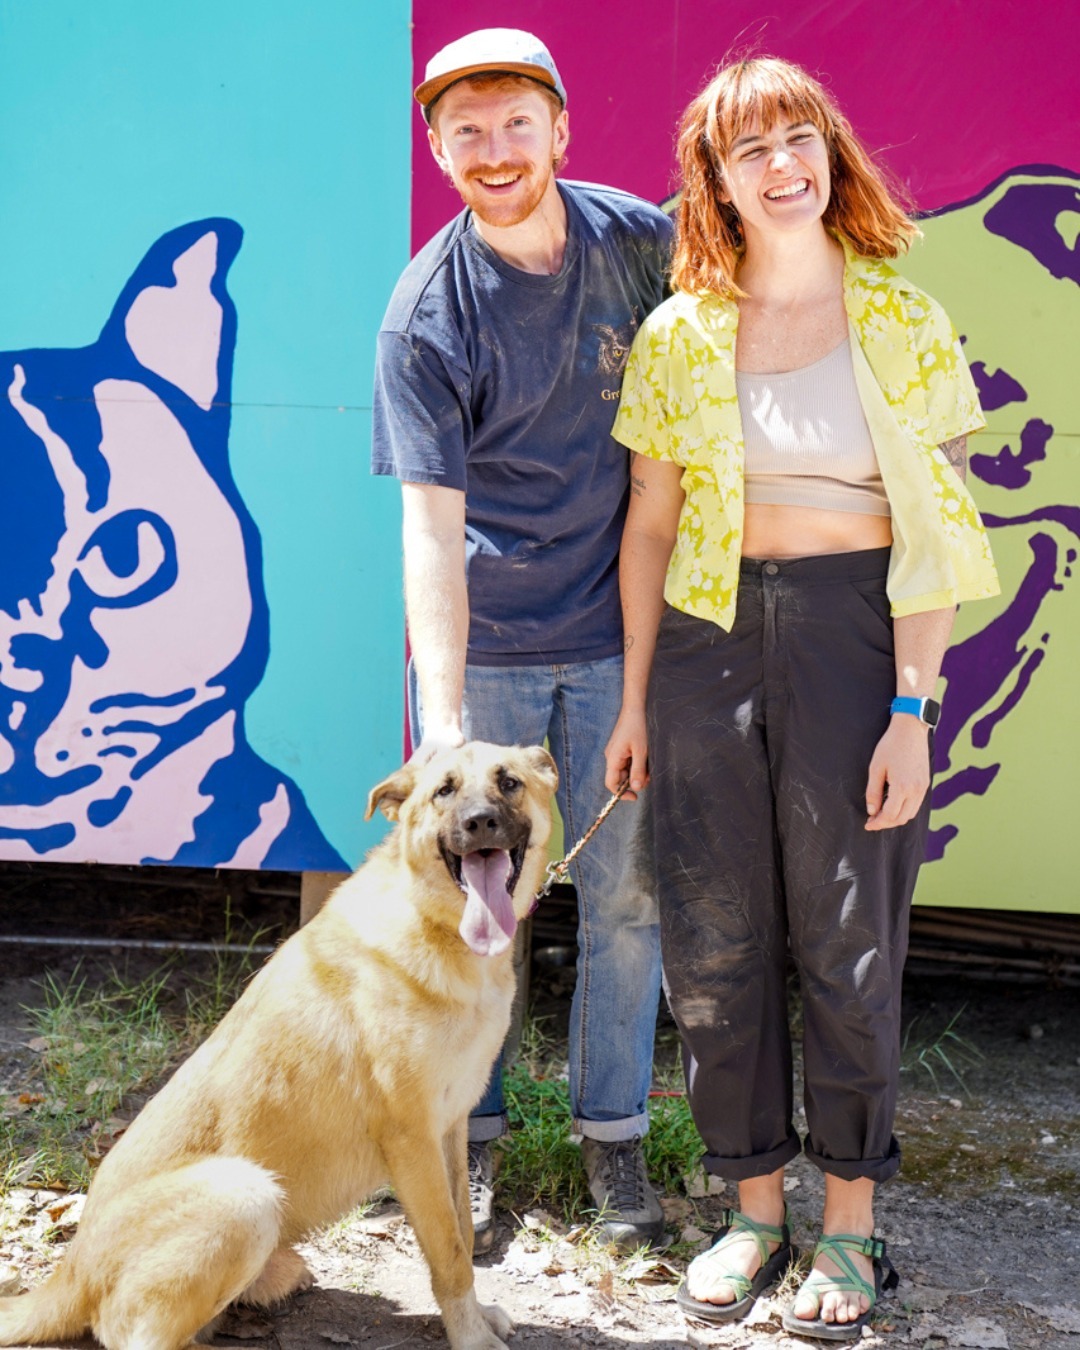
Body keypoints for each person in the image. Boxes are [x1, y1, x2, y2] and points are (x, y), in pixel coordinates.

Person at [603, 57, 999, 1338]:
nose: (782, 166)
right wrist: (633, 700)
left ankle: (850, 1231)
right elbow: (650, 526)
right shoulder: (679, 331)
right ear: (714, 182)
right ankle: (752, 1212)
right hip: (707, 645)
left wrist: (915, 710)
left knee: (849, 941)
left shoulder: (900, 316)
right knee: (714, 945)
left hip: (853, 640)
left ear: (831, 155)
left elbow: (934, 533)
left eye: (799, 139)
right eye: (750, 150)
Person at [371, 28, 671, 1253]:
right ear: (438, 151)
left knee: (625, 896)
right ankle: (465, 1145)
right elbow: (430, 532)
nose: (494, 152)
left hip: (617, 634)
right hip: (487, 645)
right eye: (466, 132)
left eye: (515, 124)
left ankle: (615, 1149)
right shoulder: (423, 316)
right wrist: (445, 723)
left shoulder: (639, 243)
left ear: (561, 127)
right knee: (464, 902)